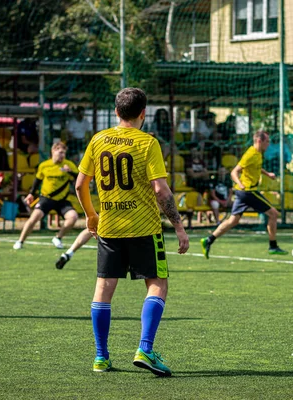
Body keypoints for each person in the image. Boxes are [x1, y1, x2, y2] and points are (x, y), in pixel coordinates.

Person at [76, 87, 189, 376]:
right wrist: (178, 225)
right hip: (144, 227)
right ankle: (145, 348)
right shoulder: (148, 143)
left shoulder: (98, 140)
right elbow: (161, 190)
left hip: (110, 226)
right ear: (143, 113)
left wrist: (91, 216)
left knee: (103, 289)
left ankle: (101, 357)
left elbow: (80, 185)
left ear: (116, 112)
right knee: (157, 283)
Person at [200, 130, 288, 258]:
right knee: (273, 214)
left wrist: (267, 174)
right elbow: (234, 172)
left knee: (233, 220)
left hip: (244, 192)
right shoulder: (250, 154)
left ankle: (209, 240)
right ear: (259, 141)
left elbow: (255, 167)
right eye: (267, 141)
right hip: (248, 191)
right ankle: (273, 246)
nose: (268, 144)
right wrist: (239, 183)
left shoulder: (258, 153)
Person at [13, 142, 78, 250]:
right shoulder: (44, 165)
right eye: (60, 152)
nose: (62, 155)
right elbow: (37, 181)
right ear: (53, 151)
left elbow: (79, 177)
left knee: (73, 217)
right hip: (46, 198)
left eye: (64, 153)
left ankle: (58, 237)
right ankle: (20, 241)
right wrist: (31, 194)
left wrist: (70, 172)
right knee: (34, 218)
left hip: (62, 200)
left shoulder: (69, 165)